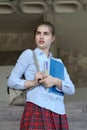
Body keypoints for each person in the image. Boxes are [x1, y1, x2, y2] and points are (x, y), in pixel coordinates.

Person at [7, 21, 75, 130]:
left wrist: (56, 81)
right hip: (36, 107)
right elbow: (11, 80)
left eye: (46, 33)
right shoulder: (29, 54)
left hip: (58, 111)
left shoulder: (58, 62)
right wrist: (32, 82)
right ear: (35, 36)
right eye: (38, 33)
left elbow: (71, 89)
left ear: (53, 38)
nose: (41, 36)